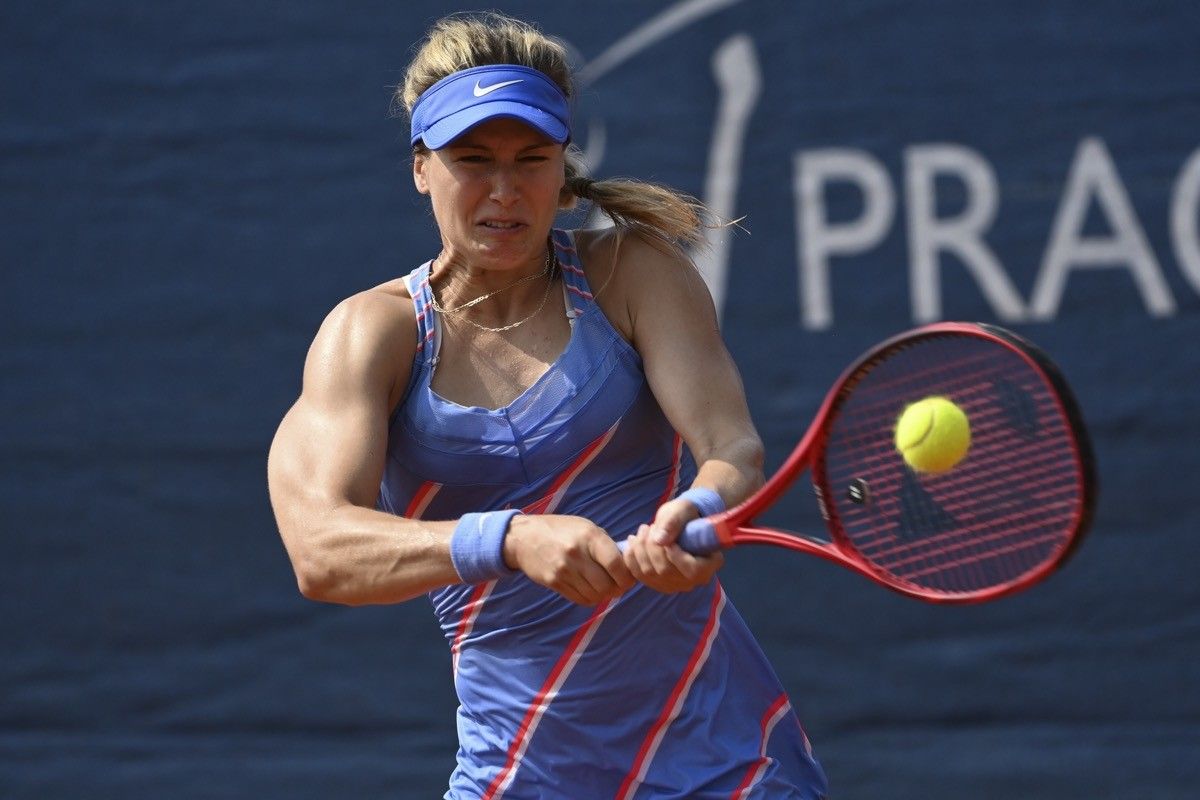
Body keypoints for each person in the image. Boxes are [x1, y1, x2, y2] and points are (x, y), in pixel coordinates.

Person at [268, 11, 828, 799]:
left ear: (564, 169)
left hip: (725, 759)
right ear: (421, 167)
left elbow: (731, 448)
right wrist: (509, 539)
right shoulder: (372, 334)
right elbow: (322, 553)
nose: (505, 191)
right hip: (519, 775)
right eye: (473, 160)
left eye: (532, 160)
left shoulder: (632, 272)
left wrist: (697, 511)